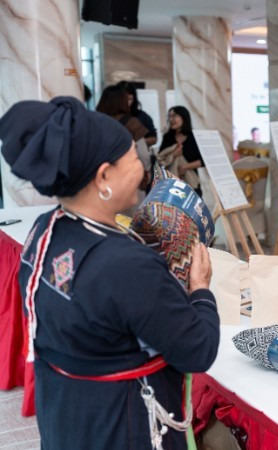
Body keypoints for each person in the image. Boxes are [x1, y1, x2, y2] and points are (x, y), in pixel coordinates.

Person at [0, 96, 220, 449]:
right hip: (122, 425)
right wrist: (200, 290)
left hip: (68, 415)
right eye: (133, 159)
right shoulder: (125, 263)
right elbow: (197, 350)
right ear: (104, 176)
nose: (143, 168)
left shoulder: (45, 230)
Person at [160, 106, 204, 189]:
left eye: (174, 116)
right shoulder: (167, 137)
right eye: (169, 116)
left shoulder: (193, 137)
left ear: (184, 117)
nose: (171, 119)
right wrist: (173, 155)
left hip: (191, 183)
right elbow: (160, 159)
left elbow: (203, 161)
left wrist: (184, 167)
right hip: (171, 184)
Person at [117, 81, 158, 146]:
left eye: (130, 99)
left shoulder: (142, 116)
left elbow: (153, 138)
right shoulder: (110, 117)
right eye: (124, 99)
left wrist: (139, 142)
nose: (127, 103)